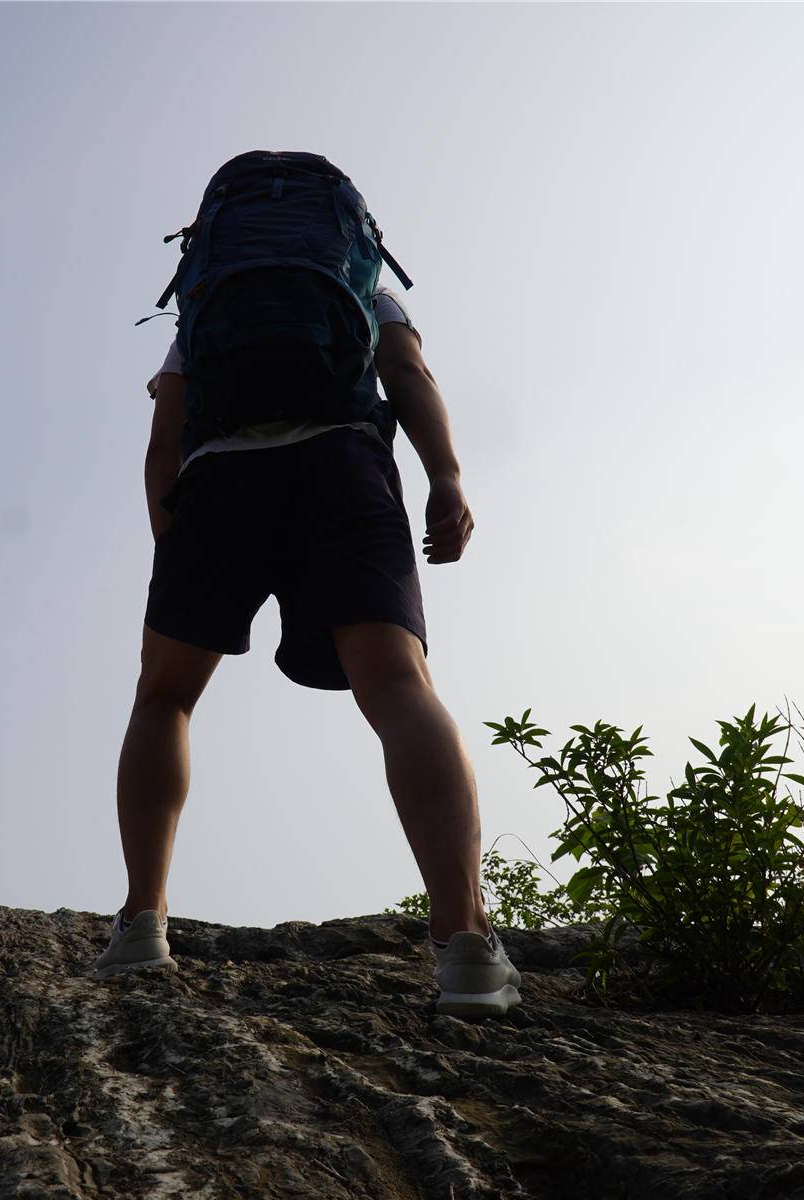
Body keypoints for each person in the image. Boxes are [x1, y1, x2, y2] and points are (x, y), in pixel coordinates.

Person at [92, 179, 522, 1018]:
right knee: (397, 687)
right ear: (351, 234)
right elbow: (407, 373)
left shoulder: (203, 311)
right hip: (341, 467)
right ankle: (465, 944)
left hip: (217, 478)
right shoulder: (368, 290)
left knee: (167, 694)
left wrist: (175, 548)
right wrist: (446, 478)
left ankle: (143, 924)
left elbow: (164, 440)